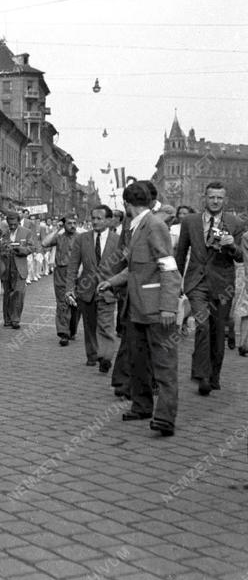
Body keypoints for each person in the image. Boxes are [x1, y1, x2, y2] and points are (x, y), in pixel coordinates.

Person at [99, 182, 180, 436]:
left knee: (164, 365)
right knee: (138, 360)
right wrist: (111, 282)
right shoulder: (139, 227)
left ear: (126, 204)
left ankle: (165, 417)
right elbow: (135, 268)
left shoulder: (153, 226)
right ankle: (142, 405)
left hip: (156, 309)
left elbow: (169, 267)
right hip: (136, 309)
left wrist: (168, 307)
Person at [174, 181, 244, 396]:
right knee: (202, 325)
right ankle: (202, 375)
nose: (215, 201)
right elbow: (181, 252)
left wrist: (231, 245)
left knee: (217, 329)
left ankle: (214, 376)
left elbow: (241, 257)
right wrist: (176, 281)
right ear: (204, 198)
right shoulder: (190, 221)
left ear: (225, 200)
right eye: (211, 197)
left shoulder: (235, 222)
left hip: (223, 284)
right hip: (197, 283)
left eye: (219, 198)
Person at [65, 205, 120, 372]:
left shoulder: (117, 240)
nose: (95, 221)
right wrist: (69, 288)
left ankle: (106, 357)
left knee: (106, 325)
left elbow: (123, 266)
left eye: (99, 218)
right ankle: (92, 355)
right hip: (86, 289)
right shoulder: (82, 239)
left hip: (108, 289)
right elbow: (73, 265)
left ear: (109, 221)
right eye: (93, 218)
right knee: (90, 325)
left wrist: (118, 285)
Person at [42, 215, 80, 346]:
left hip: (76, 273)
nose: (72, 226)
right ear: (64, 225)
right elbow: (44, 243)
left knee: (74, 303)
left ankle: (72, 330)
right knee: (62, 302)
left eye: (75, 223)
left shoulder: (81, 238)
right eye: (69, 223)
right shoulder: (59, 237)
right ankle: (63, 332)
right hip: (61, 272)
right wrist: (56, 229)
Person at [0, 212, 37, 329]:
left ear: (18, 222)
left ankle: (16, 319)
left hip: (19, 266)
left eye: (14, 224)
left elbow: (32, 247)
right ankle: (7, 319)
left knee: (18, 292)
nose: (12, 226)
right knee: (7, 294)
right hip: (6, 266)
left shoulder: (26, 232)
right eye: (10, 224)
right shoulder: (4, 233)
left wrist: (22, 250)